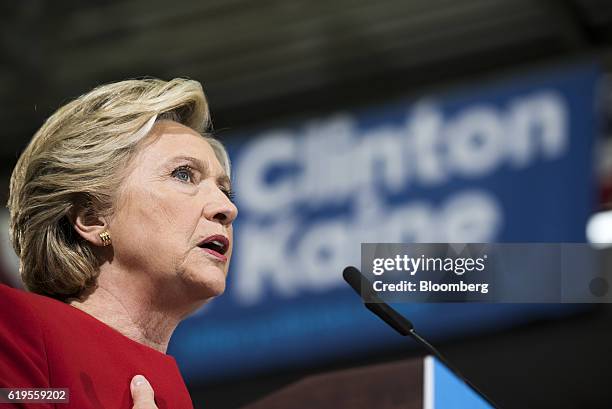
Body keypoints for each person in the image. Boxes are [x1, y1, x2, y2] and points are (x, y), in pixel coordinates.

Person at [0, 78, 238, 409]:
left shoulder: (173, 395)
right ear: (92, 217)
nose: (227, 208)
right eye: (184, 174)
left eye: (224, 190)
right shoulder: (14, 327)